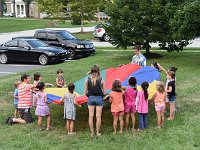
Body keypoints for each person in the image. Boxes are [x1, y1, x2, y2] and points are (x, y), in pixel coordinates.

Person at [84, 65, 106, 137]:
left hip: (90, 98)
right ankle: (98, 133)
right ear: (98, 71)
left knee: (90, 116)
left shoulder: (87, 80)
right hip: (99, 98)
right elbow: (105, 93)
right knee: (98, 116)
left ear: (91, 71)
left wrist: (89, 95)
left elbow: (85, 92)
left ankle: (92, 133)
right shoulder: (102, 80)